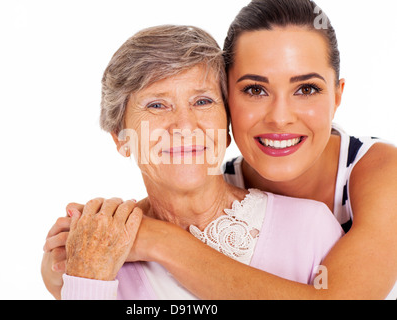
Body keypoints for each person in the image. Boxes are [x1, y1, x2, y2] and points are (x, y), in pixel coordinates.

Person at [44, 0, 397, 299]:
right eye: (255, 90)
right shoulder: (113, 240)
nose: (279, 118)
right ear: (231, 112)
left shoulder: (378, 178)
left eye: (306, 88)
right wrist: (81, 265)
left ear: (338, 95)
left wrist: (161, 240)